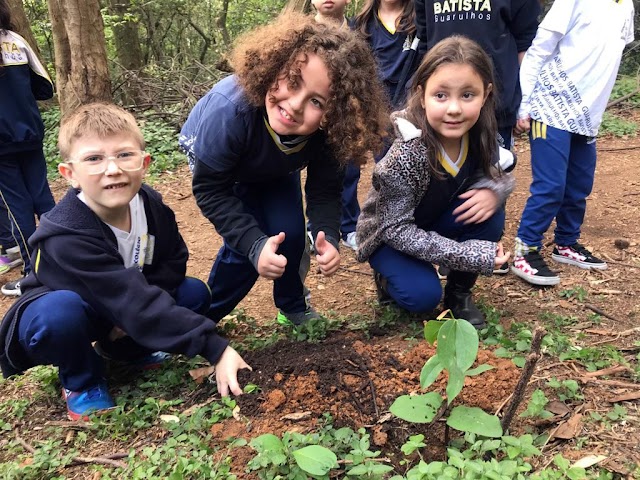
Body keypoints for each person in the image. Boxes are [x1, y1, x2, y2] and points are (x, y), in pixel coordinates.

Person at [0, 103, 251, 421]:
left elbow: (174, 259)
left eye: (124, 155)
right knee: (60, 313)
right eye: (94, 159)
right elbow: (120, 294)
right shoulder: (64, 233)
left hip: (120, 301)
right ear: (70, 174)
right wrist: (215, 348)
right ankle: (82, 381)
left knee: (193, 293)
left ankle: (124, 350)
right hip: (59, 313)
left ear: (144, 163)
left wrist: (131, 315)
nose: (112, 169)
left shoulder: (152, 206)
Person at [179, 14, 388, 325]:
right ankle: (205, 320)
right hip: (223, 167)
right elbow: (211, 191)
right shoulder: (230, 113)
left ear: (337, 112)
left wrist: (328, 235)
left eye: (317, 101)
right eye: (293, 81)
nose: (294, 105)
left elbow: (324, 190)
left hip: (275, 163)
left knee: (289, 235)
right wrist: (254, 244)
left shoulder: (329, 132)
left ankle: (292, 306)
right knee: (248, 248)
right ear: (274, 64)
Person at [356, 36, 513, 329]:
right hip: (389, 235)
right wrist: (472, 255)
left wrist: (495, 191)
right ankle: (388, 279)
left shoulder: (482, 133)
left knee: (490, 210)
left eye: (468, 95)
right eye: (441, 95)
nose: (454, 108)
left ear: (486, 94)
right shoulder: (407, 151)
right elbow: (396, 229)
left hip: (432, 220)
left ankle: (459, 294)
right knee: (422, 298)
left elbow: (504, 170)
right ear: (421, 93)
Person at [511, 0, 635, 286]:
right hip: (550, 107)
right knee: (550, 186)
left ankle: (566, 243)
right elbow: (539, 48)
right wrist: (524, 103)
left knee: (579, 185)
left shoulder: (626, 5)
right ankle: (525, 250)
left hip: (588, 114)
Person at [333, 0, 419, 252]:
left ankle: (394, 225)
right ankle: (349, 227)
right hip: (368, 106)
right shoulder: (362, 24)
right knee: (349, 168)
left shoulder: (418, 21)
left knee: (393, 171)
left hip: (403, 110)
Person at [0, 0, 56, 295]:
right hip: (29, 133)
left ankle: (33, 272)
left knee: (16, 205)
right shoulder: (15, 41)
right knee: (42, 197)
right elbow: (45, 87)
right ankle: (62, 259)